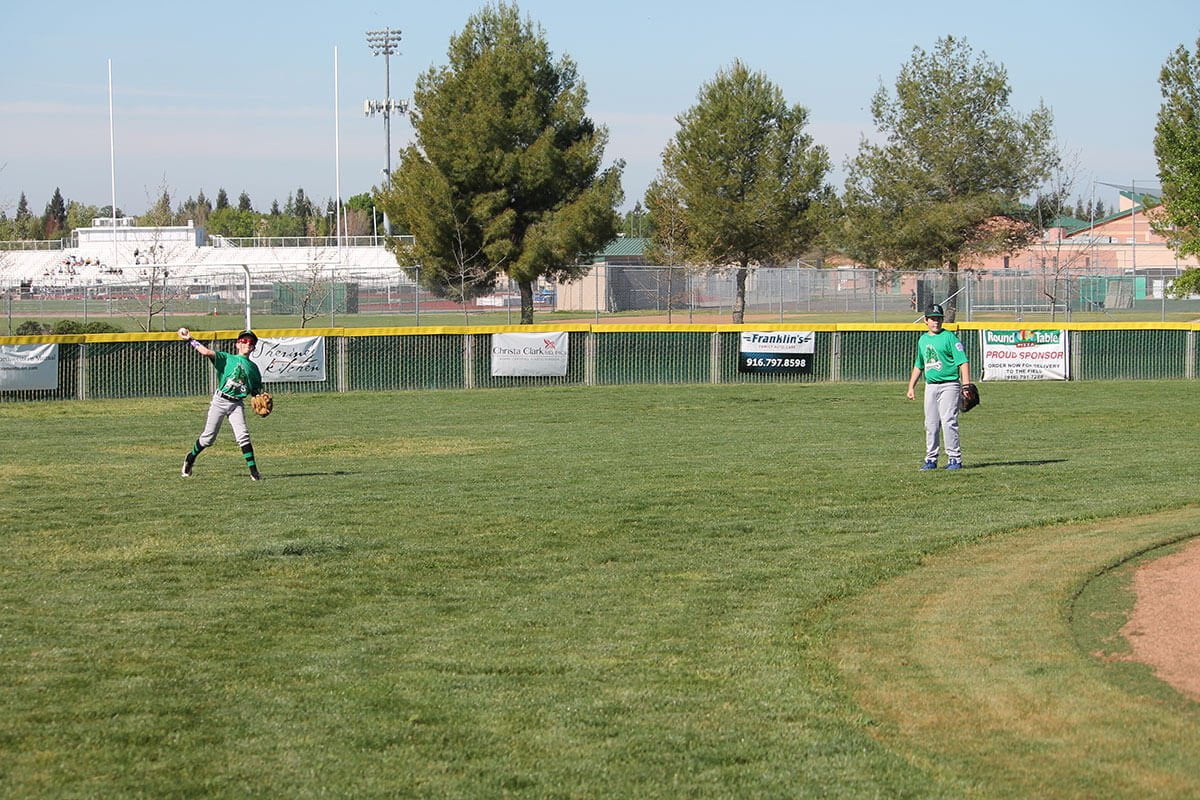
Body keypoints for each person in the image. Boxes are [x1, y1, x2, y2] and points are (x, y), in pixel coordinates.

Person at [178, 327, 266, 480]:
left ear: (254, 347)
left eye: (251, 342)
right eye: (243, 341)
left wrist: (260, 399)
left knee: (243, 436)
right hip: (220, 400)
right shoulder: (227, 358)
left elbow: (255, 391)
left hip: (236, 404)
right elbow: (206, 352)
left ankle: (254, 472)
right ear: (237, 344)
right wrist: (190, 339)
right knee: (208, 438)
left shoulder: (254, 369)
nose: (247, 344)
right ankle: (190, 458)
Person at [906, 303, 971, 471]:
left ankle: (954, 459)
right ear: (926, 321)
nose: (936, 322)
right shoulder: (923, 340)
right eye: (933, 319)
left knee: (949, 420)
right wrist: (911, 386)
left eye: (939, 319)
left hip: (950, 384)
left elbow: (963, 361)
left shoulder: (949, 338)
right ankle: (931, 459)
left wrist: (966, 385)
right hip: (931, 386)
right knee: (931, 423)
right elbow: (919, 364)